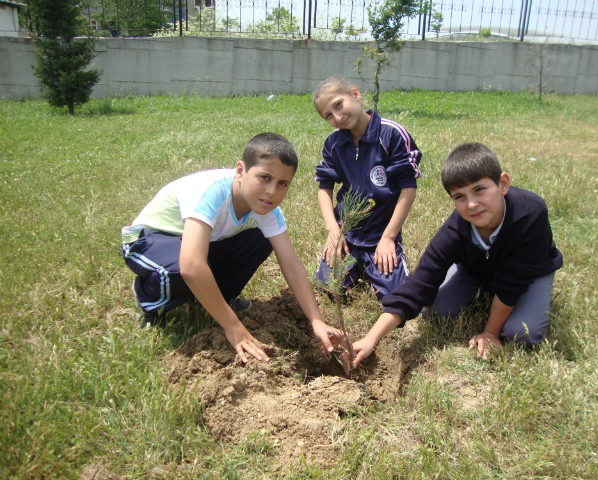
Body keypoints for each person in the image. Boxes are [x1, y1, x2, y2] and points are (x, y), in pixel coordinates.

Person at [122, 133, 346, 363]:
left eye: (282, 183)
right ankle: (148, 297)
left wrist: (316, 320)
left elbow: (291, 264)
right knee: (183, 269)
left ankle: (217, 299)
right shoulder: (211, 192)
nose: (271, 191)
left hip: (199, 243)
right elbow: (191, 266)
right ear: (240, 170)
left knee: (260, 238)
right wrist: (232, 326)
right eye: (264, 177)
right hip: (148, 239)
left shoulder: (268, 212)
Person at [349, 142, 563, 369]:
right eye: (459, 196)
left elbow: (513, 281)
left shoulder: (531, 212)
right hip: (476, 269)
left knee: (521, 334)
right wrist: (371, 338)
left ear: (503, 184)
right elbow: (419, 285)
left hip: (531, 273)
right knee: (435, 311)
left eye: (480, 189)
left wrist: (490, 332)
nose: (472, 204)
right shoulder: (455, 230)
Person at [312, 76, 422, 301]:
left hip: (381, 232)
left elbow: (408, 187)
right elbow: (325, 188)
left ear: (355, 94)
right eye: (328, 116)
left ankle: (383, 261)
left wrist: (389, 237)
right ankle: (353, 265)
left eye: (338, 105)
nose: (338, 117)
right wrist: (334, 230)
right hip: (347, 231)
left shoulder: (391, 134)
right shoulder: (333, 143)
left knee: (394, 296)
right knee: (329, 288)